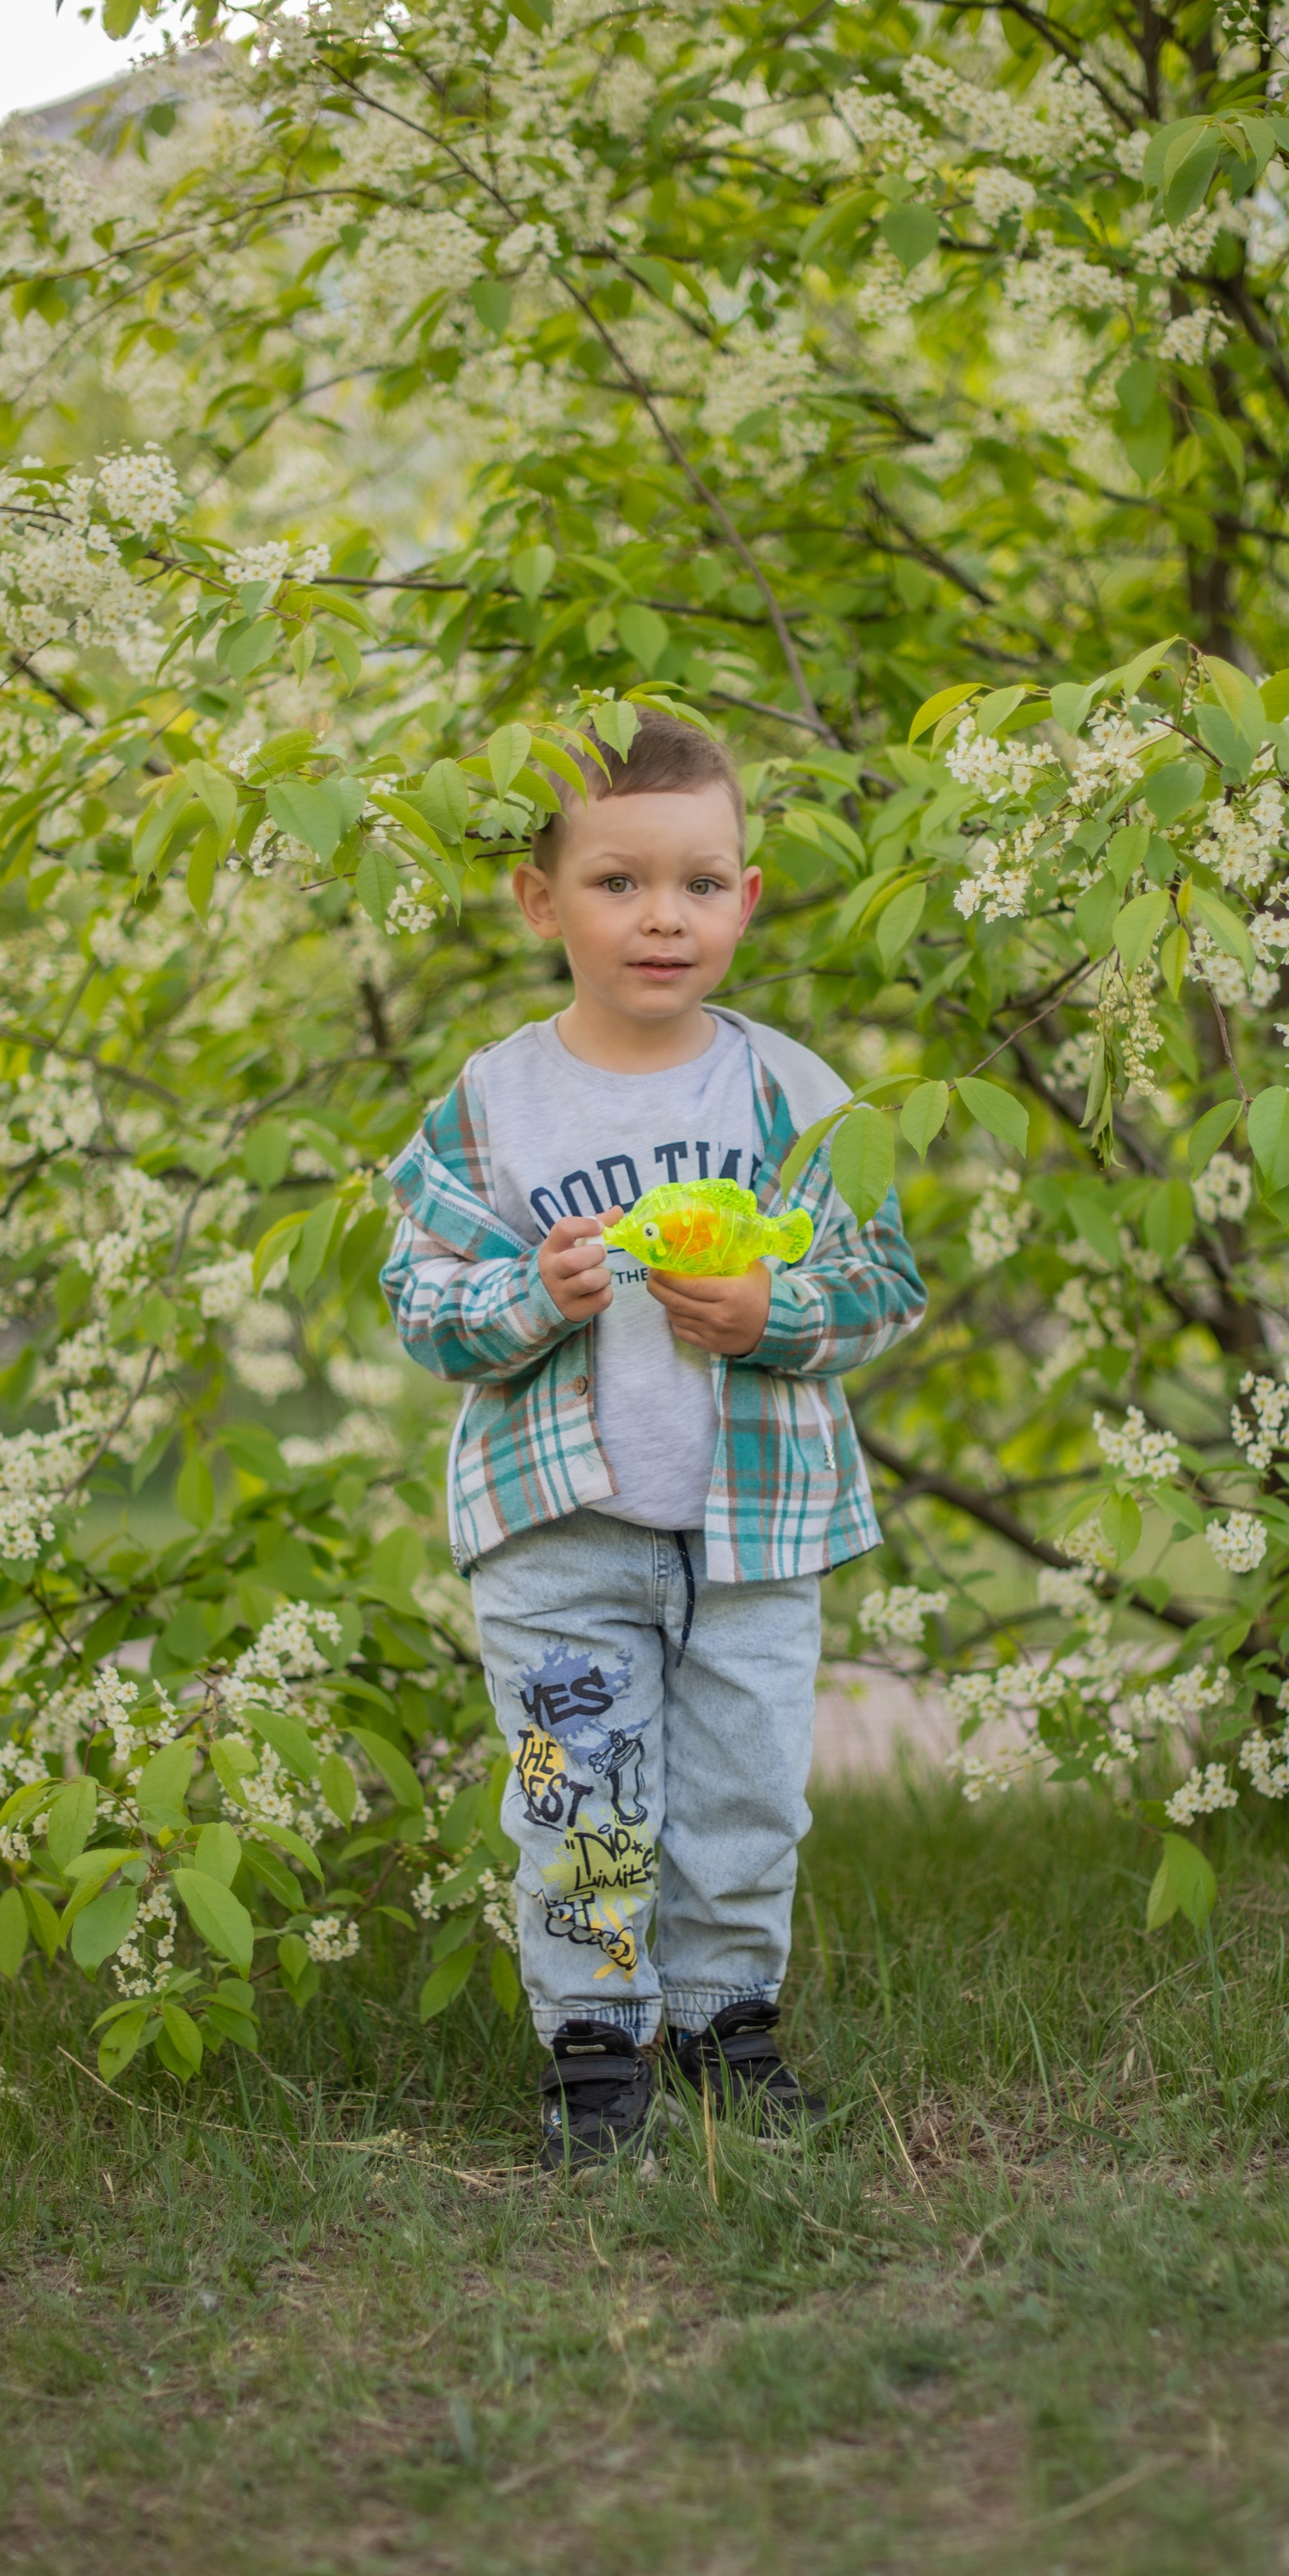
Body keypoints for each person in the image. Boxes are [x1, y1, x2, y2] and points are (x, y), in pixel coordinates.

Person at [379, 710, 926, 2171]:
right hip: (560, 1537)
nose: (661, 917)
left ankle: (726, 2020)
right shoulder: (496, 1103)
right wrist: (524, 1298)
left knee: (748, 1788)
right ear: (541, 897)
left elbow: (884, 1283)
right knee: (583, 1792)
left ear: (747, 896)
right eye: (619, 882)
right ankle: (597, 2047)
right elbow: (422, 1304)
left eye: (698, 883)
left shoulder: (792, 1093)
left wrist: (770, 1311)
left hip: (759, 1530)